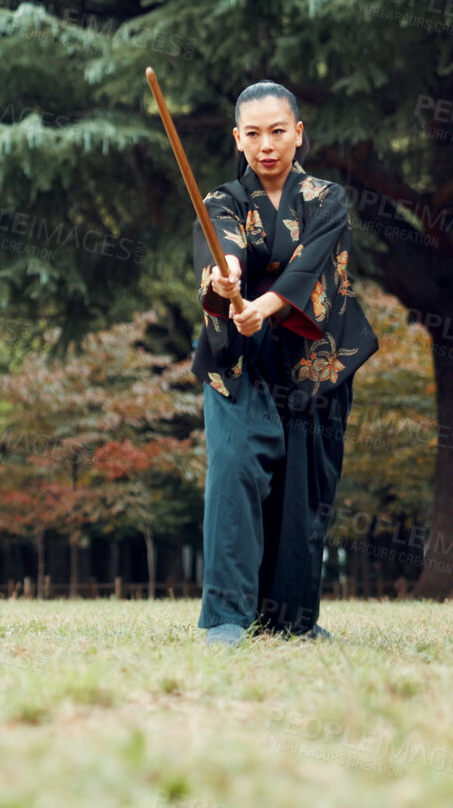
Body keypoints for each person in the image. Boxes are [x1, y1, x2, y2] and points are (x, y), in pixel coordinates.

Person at [192, 81, 378, 646]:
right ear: (237, 140)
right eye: (253, 133)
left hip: (312, 359)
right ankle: (225, 618)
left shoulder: (329, 199)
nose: (266, 144)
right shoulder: (222, 200)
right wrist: (228, 282)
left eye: (278, 131)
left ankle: (291, 621)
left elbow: (311, 267)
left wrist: (265, 307)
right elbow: (224, 248)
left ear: (299, 133)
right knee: (233, 468)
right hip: (241, 360)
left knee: (304, 490)